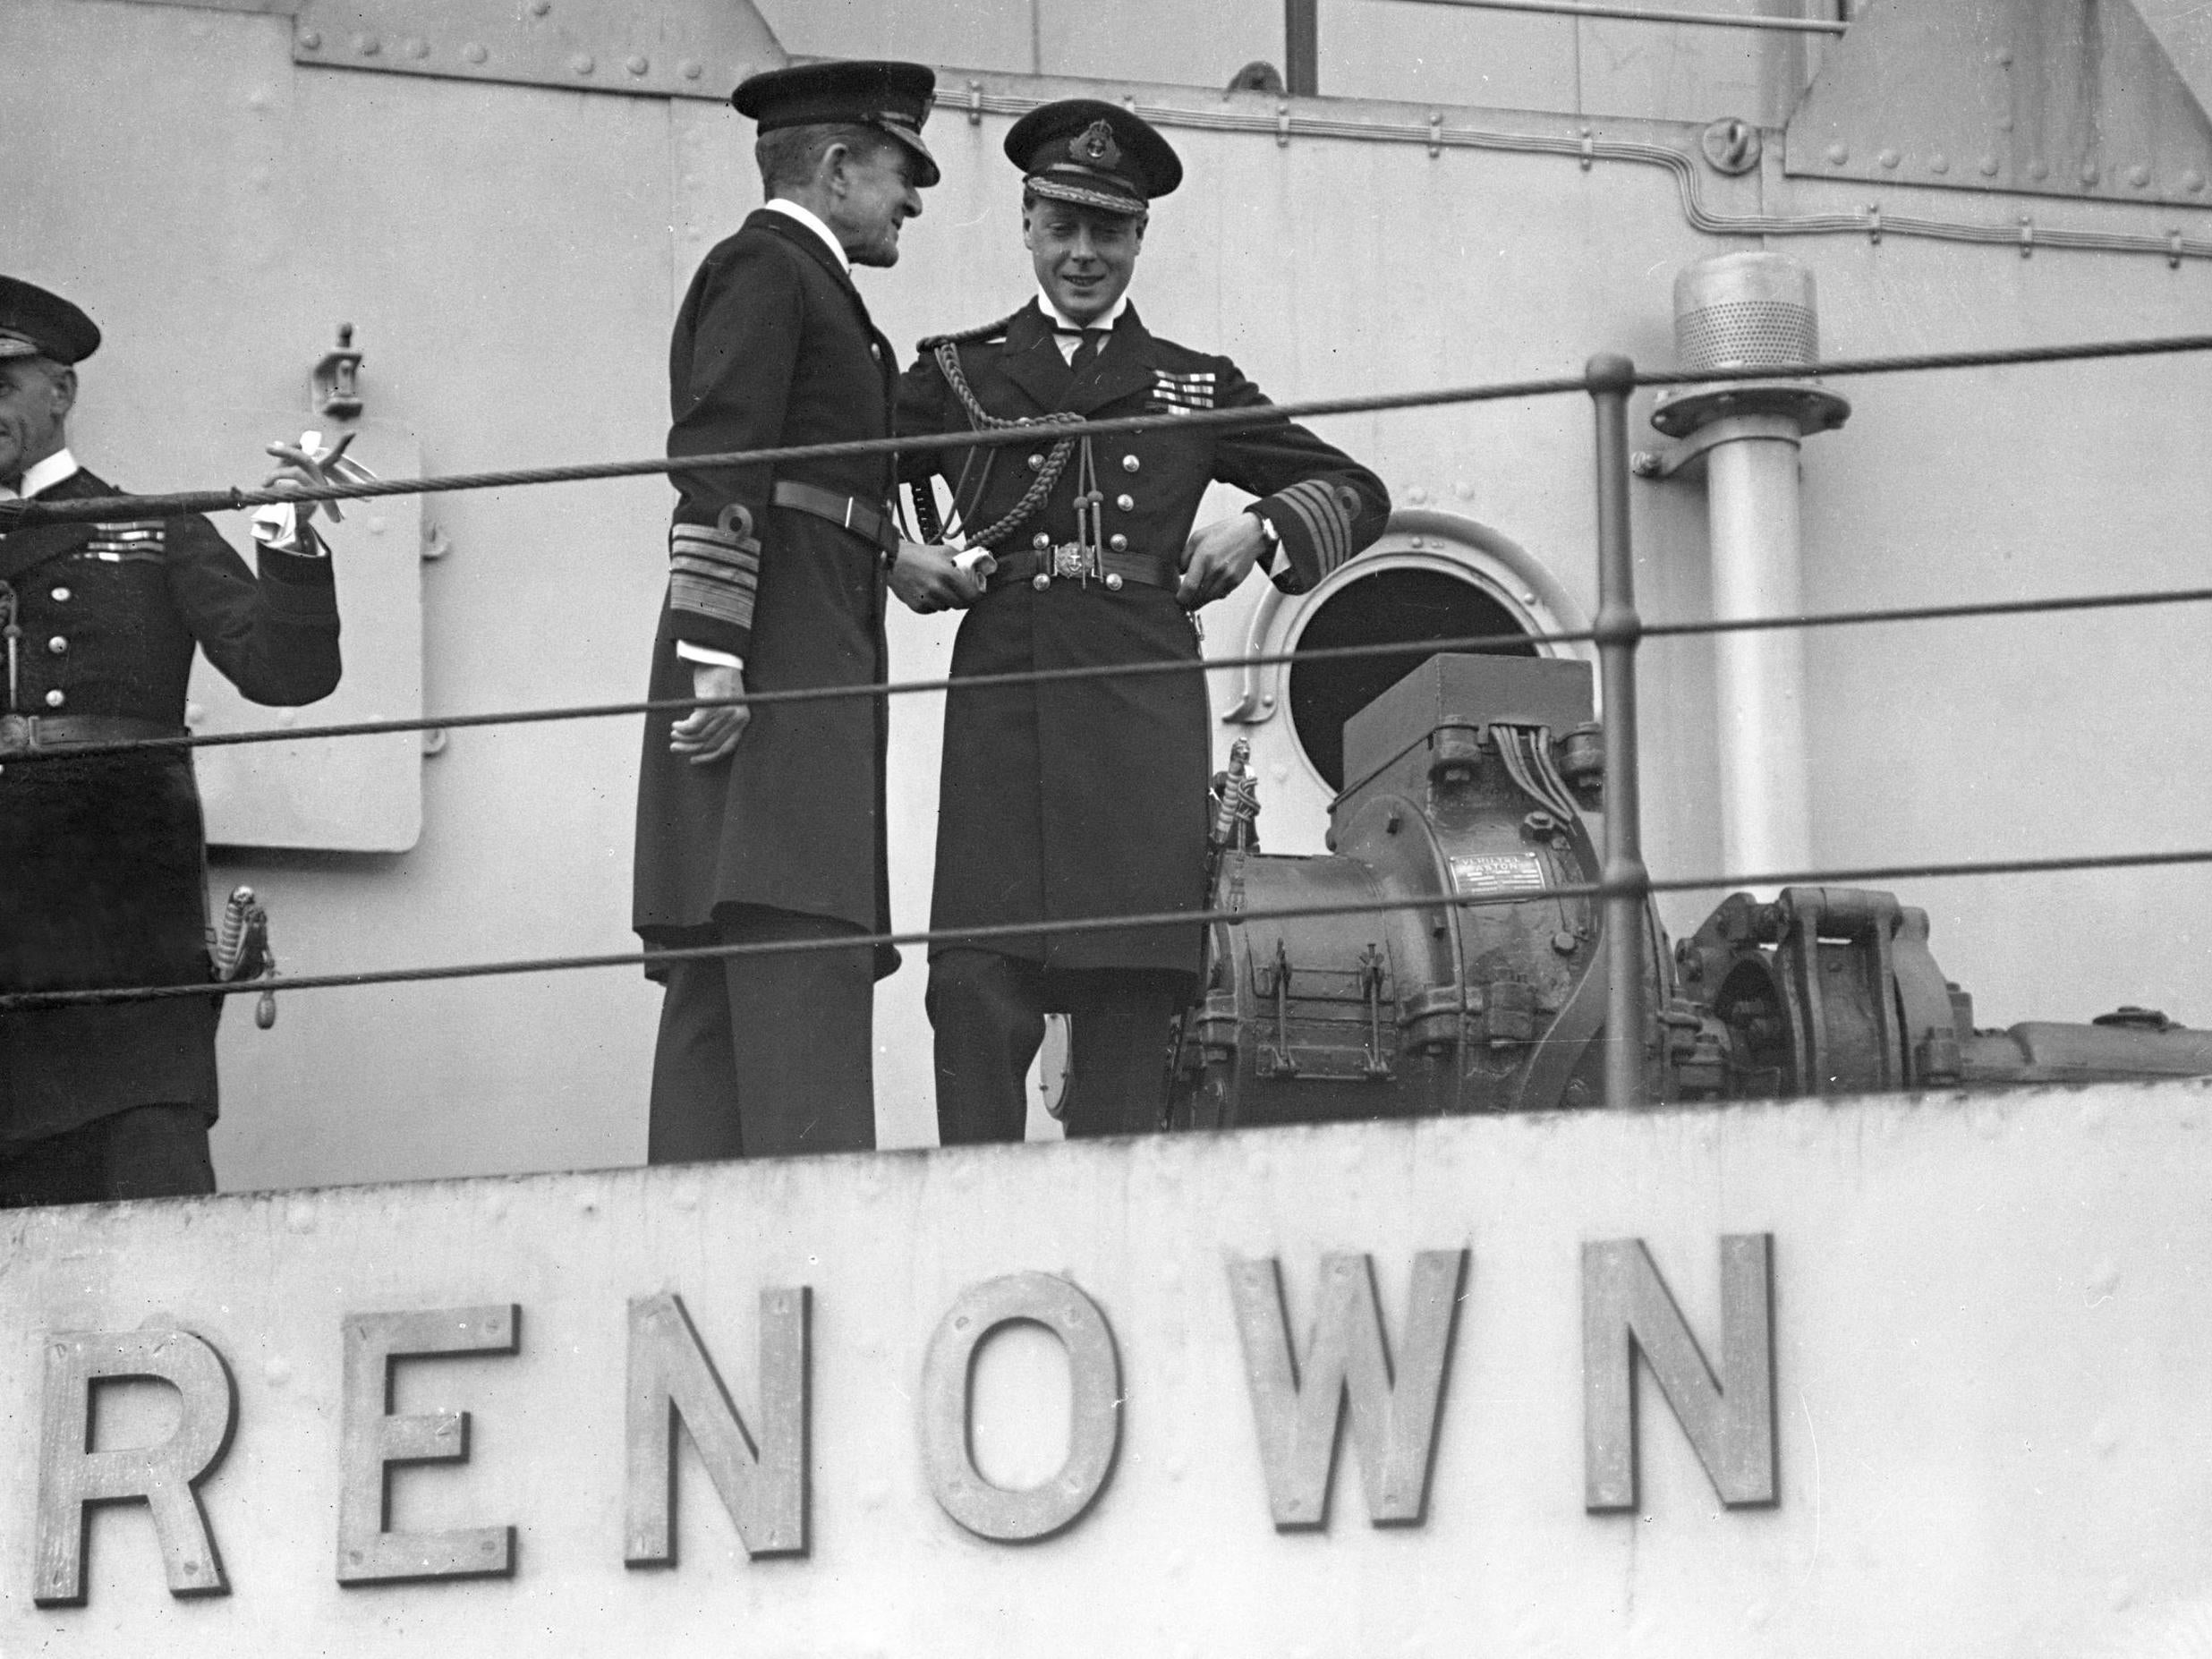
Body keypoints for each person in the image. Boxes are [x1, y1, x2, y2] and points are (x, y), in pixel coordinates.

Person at [896, 99, 1392, 1144]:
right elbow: (835, 477)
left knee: (1132, 999)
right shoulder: (958, 374)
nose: (1084, 255)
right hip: (1009, 702)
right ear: (1027, 222)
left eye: (1108, 231)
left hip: (1138, 705)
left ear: (1139, 238)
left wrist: (1258, 525)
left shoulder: (1194, 384)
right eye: (1064, 226)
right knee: (978, 989)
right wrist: (895, 554)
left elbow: (1354, 488)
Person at [633, 60, 978, 1164]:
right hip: (771, 681)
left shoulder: (797, 281)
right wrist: (714, 656)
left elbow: (804, 485)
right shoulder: (770, 272)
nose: (912, 202)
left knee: (736, 983)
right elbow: (721, 460)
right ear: (836, 169)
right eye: (899, 173)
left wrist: (890, 553)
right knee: (794, 952)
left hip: (790, 660)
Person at [0, 276, 344, 1205]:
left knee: (144, 1175)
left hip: (122, 925)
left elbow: (287, 673)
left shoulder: (154, 530)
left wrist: (290, 543)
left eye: (1, 386)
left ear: (59, 392)